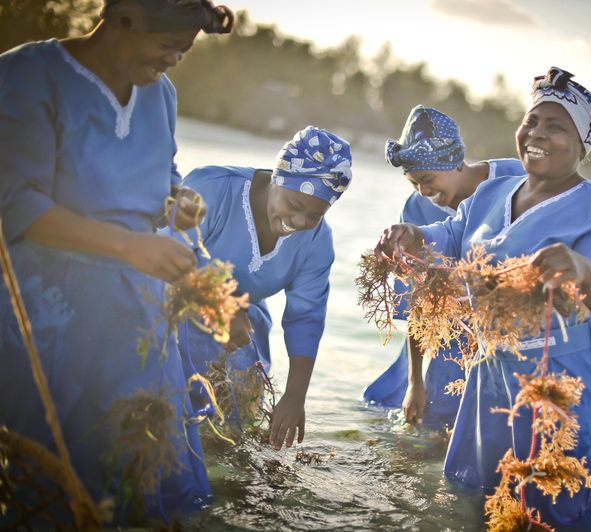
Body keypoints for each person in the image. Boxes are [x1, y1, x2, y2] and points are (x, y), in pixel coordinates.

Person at [0, 0, 234, 523]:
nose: (176, 59)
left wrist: (177, 200)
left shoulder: (161, 93)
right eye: (169, 45)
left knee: (137, 457)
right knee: (56, 465)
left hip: (135, 316)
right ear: (125, 16)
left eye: (186, 49)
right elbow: (14, 202)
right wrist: (130, 246)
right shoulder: (30, 75)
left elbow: (163, 173)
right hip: (51, 313)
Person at [373, 67, 591, 526]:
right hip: (492, 374)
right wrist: (413, 234)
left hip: (565, 380)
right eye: (531, 121)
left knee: (557, 505)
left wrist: (581, 268)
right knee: (475, 500)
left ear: (582, 145)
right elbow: (454, 236)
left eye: (555, 127)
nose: (536, 134)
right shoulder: (496, 190)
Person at [174, 126, 352, 451]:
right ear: (277, 178)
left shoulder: (316, 241)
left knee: (230, 429)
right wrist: (220, 305)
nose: (298, 222)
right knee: (172, 415)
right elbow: (167, 254)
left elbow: (305, 317)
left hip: (245, 324)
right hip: (174, 304)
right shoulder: (211, 189)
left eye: (314, 214)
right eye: (294, 204)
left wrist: (295, 396)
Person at [362, 105, 524, 429]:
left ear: (454, 161)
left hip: (504, 332)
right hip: (446, 336)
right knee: (431, 432)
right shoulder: (416, 208)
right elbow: (417, 303)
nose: (423, 191)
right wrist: (414, 383)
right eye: (413, 183)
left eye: (427, 179)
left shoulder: (515, 179)